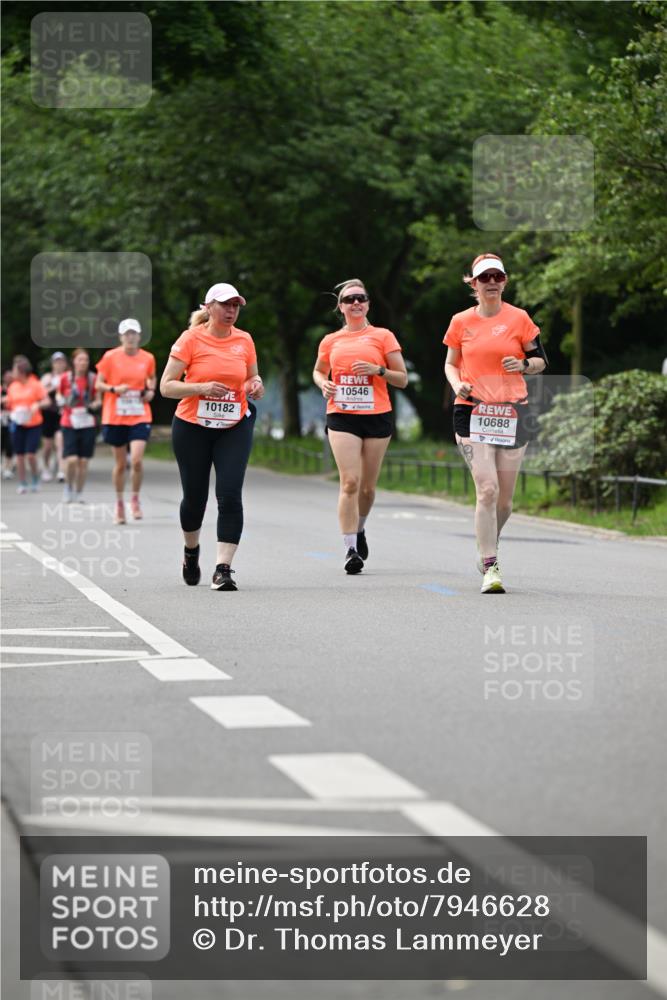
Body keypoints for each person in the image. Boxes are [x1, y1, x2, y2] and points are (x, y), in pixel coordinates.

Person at [443, 253, 547, 594]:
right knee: (487, 489)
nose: (491, 282)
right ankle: (490, 565)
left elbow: (540, 360)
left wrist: (524, 366)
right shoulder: (460, 321)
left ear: (504, 281)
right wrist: (457, 384)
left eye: (497, 277)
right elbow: (450, 364)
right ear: (473, 284)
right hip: (472, 409)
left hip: (512, 412)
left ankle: (488, 542)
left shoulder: (519, 318)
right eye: (484, 278)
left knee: (503, 501)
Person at [160, 282, 264, 591]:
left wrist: (255, 385)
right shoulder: (190, 340)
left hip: (234, 425)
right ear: (208, 308)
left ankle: (223, 569)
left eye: (236, 306)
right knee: (195, 499)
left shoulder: (244, 340)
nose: (231, 311)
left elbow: (251, 378)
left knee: (230, 495)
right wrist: (201, 388)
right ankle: (191, 552)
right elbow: (166, 386)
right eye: (225, 305)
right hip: (192, 426)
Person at [313, 279, 408, 574]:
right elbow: (318, 370)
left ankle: (360, 528)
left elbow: (402, 378)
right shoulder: (331, 340)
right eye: (349, 299)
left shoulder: (383, 336)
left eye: (361, 298)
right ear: (340, 307)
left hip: (377, 415)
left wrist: (378, 370)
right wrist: (323, 384)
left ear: (367, 304)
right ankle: (350, 549)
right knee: (350, 482)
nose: (356, 303)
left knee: (367, 487)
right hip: (342, 415)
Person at [95, 319, 156, 524]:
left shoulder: (147, 358)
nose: (130, 337)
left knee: (136, 460)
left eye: (134, 333)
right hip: (115, 415)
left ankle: (135, 499)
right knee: (121, 464)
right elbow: (99, 383)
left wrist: (150, 391)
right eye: (126, 333)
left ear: (139, 336)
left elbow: (151, 378)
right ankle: (119, 504)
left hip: (139, 413)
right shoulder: (110, 357)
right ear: (121, 337)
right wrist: (114, 389)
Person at [57, 349, 102, 503]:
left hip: (87, 422)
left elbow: (98, 399)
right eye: (80, 359)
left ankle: (79, 492)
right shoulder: (66, 378)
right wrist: (62, 401)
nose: (83, 362)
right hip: (69, 422)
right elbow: (58, 394)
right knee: (71, 460)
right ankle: (68, 487)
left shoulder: (93, 378)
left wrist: (94, 406)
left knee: (83, 462)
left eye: (86, 360)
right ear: (74, 361)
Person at [4, 356, 49, 493]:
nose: (12, 373)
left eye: (14, 370)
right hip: (17, 424)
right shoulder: (13, 386)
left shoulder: (35, 384)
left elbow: (47, 401)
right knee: (19, 455)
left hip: (33, 424)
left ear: (21, 371)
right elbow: (9, 403)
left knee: (30, 454)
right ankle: (22, 482)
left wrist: (37, 404)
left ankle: (35, 478)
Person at [40, 351, 68, 482]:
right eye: (57, 362)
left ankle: (61, 470)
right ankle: (46, 466)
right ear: (52, 364)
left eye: (61, 362)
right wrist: (54, 386)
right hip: (48, 414)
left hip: (61, 413)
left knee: (60, 441)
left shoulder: (68, 376)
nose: (59, 364)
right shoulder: (47, 377)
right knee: (47, 446)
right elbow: (40, 393)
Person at [1, 370, 16, 479]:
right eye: (7, 376)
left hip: (12, 419)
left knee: (10, 444)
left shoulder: (16, 389)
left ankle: (8, 467)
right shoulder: (1, 389)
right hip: (1, 419)